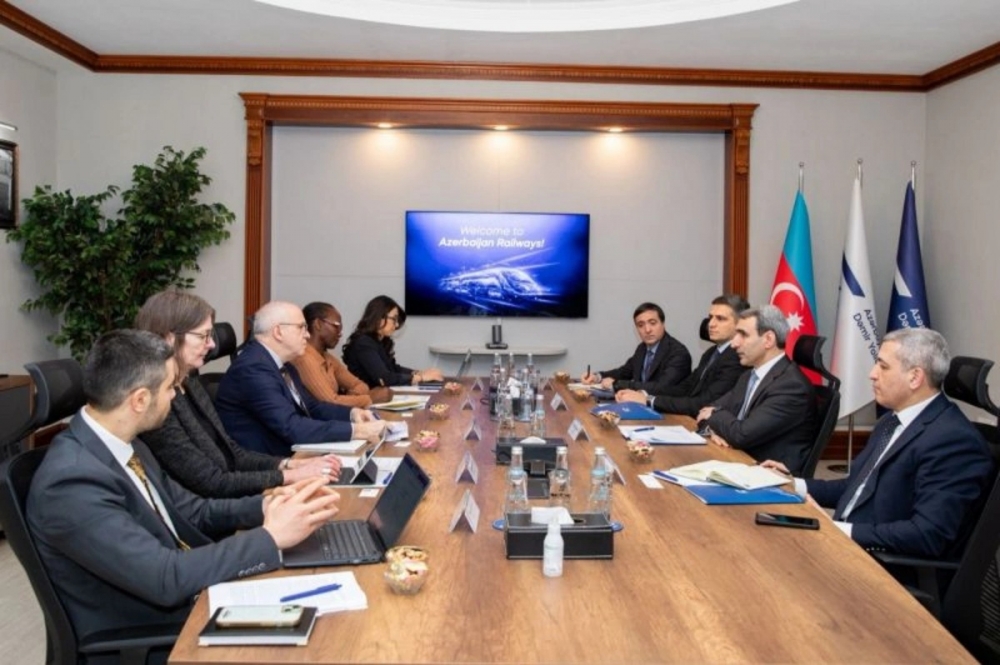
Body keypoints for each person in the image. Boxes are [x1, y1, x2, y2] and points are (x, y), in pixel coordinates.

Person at [26, 329, 340, 654]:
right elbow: (165, 578)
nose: (176, 396)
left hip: (192, 593)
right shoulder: (71, 482)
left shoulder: (123, 442)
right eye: (169, 388)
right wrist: (270, 538)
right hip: (157, 634)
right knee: (326, 644)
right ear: (139, 400)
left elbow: (194, 511)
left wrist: (269, 505)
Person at [763, 328, 994, 558]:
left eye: (883, 367)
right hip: (846, 546)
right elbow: (856, 488)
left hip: (882, 565)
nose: (872, 374)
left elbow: (926, 534)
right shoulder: (890, 421)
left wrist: (838, 530)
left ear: (915, 377)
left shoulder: (954, 441)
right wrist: (792, 484)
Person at [137, 290, 342, 498]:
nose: (212, 344)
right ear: (169, 338)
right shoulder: (157, 403)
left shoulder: (190, 383)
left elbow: (232, 454)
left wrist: (289, 465)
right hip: (218, 507)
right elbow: (213, 483)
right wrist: (288, 476)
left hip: (235, 494)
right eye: (203, 336)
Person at [216, 301, 386, 457]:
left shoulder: (283, 364)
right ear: (278, 332)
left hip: (294, 455)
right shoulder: (253, 368)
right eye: (301, 328)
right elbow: (291, 426)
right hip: (268, 466)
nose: (307, 335)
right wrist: (356, 431)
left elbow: (312, 407)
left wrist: (352, 414)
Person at [696, 304, 815, 474]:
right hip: (739, 460)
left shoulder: (791, 386)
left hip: (768, 474)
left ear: (768, 340)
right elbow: (706, 411)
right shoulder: (748, 375)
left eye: (743, 335)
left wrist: (715, 417)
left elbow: (741, 435)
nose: (734, 344)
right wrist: (713, 430)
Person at [616, 294, 749, 416]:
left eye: (720, 319)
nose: (711, 324)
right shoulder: (711, 352)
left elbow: (704, 403)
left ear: (740, 324)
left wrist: (649, 400)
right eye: (710, 318)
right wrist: (643, 395)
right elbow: (684, 388)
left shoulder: (737, 357)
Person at [292, 301, 393, 408]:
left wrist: (348, 400)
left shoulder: (327, 357)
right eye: (336, 326)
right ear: (318, 324)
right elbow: (330, 403)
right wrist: (370, 399)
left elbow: (359, 385)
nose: (340, 333)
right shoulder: (304, 358)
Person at [581, 301, 691, 393]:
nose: (647, 330)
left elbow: (661, 387)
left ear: (663, 324)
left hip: (668, 410)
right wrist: (597, 377)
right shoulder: (642, 348)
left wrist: (618, 384)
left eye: (652, 323)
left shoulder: (679, 353)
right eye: (641, 325)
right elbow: (623, 372)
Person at [342, 295, 443, 388]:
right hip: (366, 398)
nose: (397, 325)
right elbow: (384, 378)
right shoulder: (363, 343)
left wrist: (418, 373)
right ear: (379, 318)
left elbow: (393, 369)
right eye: (394, 319)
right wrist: (421, 378)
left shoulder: (381, 341)